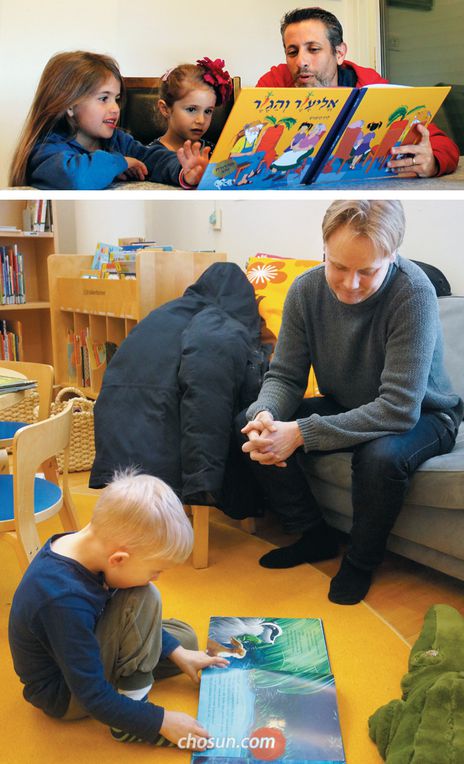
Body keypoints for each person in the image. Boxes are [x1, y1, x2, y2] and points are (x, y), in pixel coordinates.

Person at [239, 200, 463, 605]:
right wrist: (265, 415)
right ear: (324, 249)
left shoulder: (413, 293)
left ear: (392, 256)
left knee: (380, 458)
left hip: (424, 415)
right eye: (338, 266)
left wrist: (301, 433)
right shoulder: (306, 290)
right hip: (348, 403)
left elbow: (398, 408)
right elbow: (285, 376)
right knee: (251, 424)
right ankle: (315, 536)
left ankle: (360, 562)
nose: (350, 284)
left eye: (367, 271)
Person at [8, 470, 228, 746]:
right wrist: (159, 721)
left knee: (184, 639)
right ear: (119, 559)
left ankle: (140, 674)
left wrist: (179, 653)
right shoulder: (62, 599)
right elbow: (93, 695)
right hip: (66, 693)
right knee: (143, 596)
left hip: (84, 648)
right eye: (155, 570)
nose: (156, 577)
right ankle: (130, 717)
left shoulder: (91, 549)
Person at [257, 7, 459, 178]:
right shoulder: (273, 85)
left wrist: (432, 162)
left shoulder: (369, 84)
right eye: (292, 52)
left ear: (339, 53)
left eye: (314, 49)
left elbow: (443, 145)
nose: (301, 61)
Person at [8, 51, 210, 190]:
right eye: (104, 98)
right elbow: (77, 178)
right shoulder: (46, 150)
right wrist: (121, 162)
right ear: (69, 105)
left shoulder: (118, 140)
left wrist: (184, 170)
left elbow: (151, 158)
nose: (115, 108)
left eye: (117, 99)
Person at [150, 57, 233, 186]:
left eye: (208, 111)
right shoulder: (150, 155)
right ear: (165, 109)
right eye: (191, 109)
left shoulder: (215, 153)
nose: (201, 120)